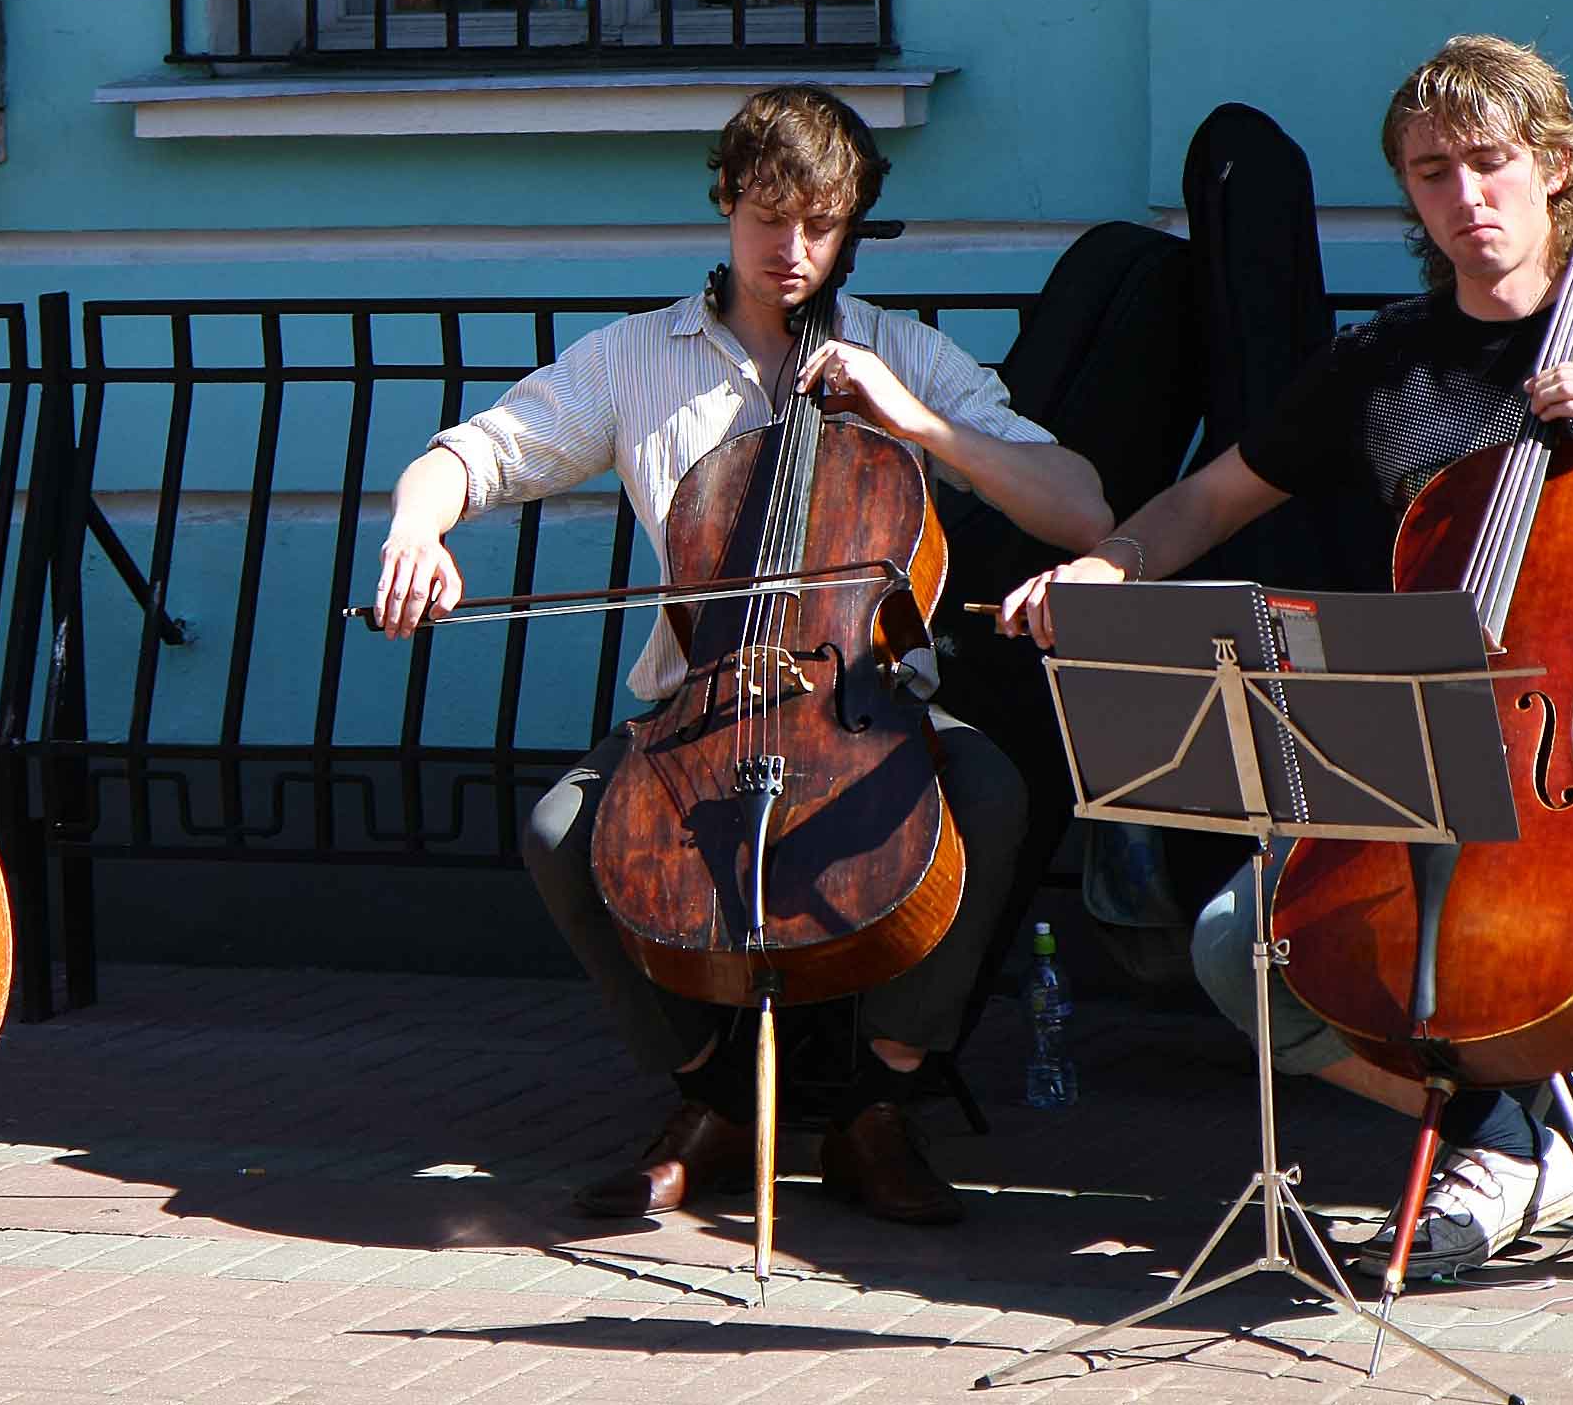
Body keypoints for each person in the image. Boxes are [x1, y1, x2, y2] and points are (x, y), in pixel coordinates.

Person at [1001, 35, 1573, 1308]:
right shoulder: (1384, 364)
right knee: (1237, 943)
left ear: (1562, 169)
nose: (1466, 197)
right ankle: (1499, 1134)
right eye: (1430, 173)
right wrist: (1112, 567)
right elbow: (1207, 499)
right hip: (1421, 751)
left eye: (1490, 163)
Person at [375, 86, 1112, 1224]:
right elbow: (476, 452)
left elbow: (1080, 506)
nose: (796, 249)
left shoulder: (902, 352)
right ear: (726, 201)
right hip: (699, 702)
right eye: (772, 217)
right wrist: (415, 526)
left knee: (995, 787)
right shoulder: (636, 359)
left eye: (823, 223)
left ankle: (880, 1097)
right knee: (563, 832)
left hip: (864, 703)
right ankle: (712, 1096)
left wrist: (914, 419)